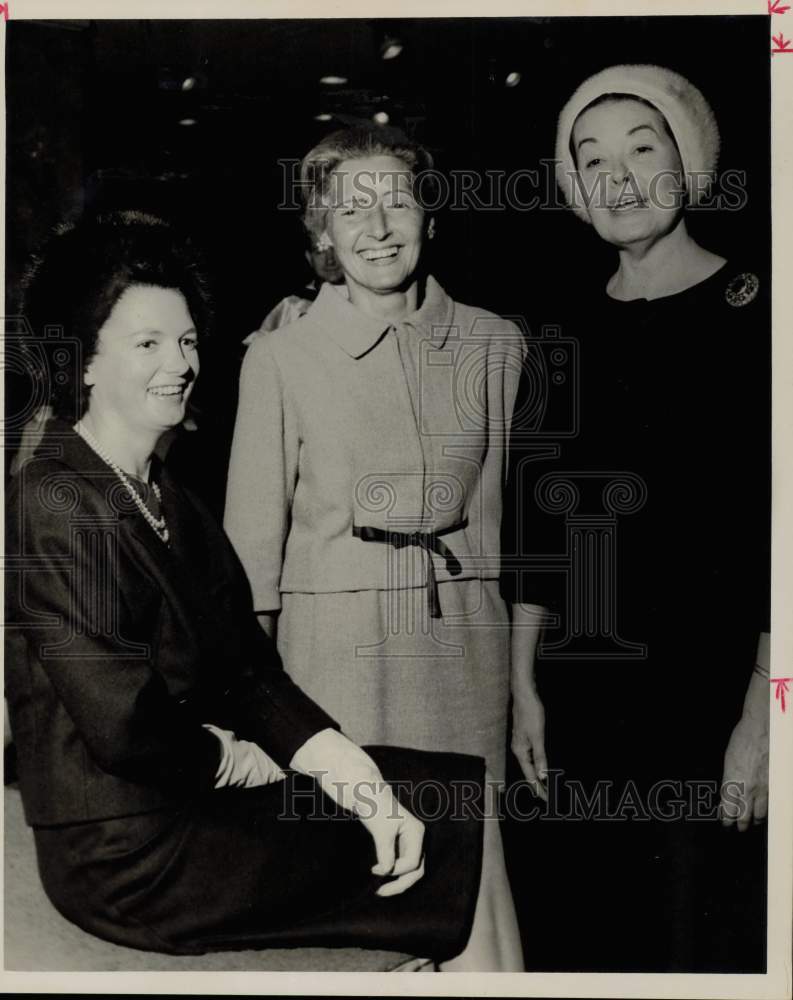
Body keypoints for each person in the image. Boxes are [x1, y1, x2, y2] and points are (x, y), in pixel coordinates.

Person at [4, 210, 523, 970]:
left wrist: (343, 766)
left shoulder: (166, 494)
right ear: (81, 361)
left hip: (178, 805)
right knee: (441, 813)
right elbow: (121, 723)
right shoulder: (54, 499)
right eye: (145, 344)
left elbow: (248, 671)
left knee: (434, 790)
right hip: (126, 854)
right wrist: (242, 762)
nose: (178, 363)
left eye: (185, 341)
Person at [502, 64, 770, 969]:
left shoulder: (760, 313)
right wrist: (522, 687)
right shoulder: (559, 329)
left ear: (687, 160)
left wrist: (762, 718)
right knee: (576, 936)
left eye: (640, 149)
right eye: (590, 158)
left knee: (698, 937)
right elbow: (535, 531)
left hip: (712, 696)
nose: (615, 177)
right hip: (581, 698)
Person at [224, 125, 531, 791]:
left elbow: (515, 524)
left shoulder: (497, 344)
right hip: (331, 655)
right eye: (350, 210)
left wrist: (524, 683)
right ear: (321, 235)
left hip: (467, 649)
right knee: (348, 859)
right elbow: (250, 562)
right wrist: (259, 711)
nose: (378, 227)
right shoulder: (279, 356)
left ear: (428, 214)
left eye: (396, 201)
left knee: (468, 862)